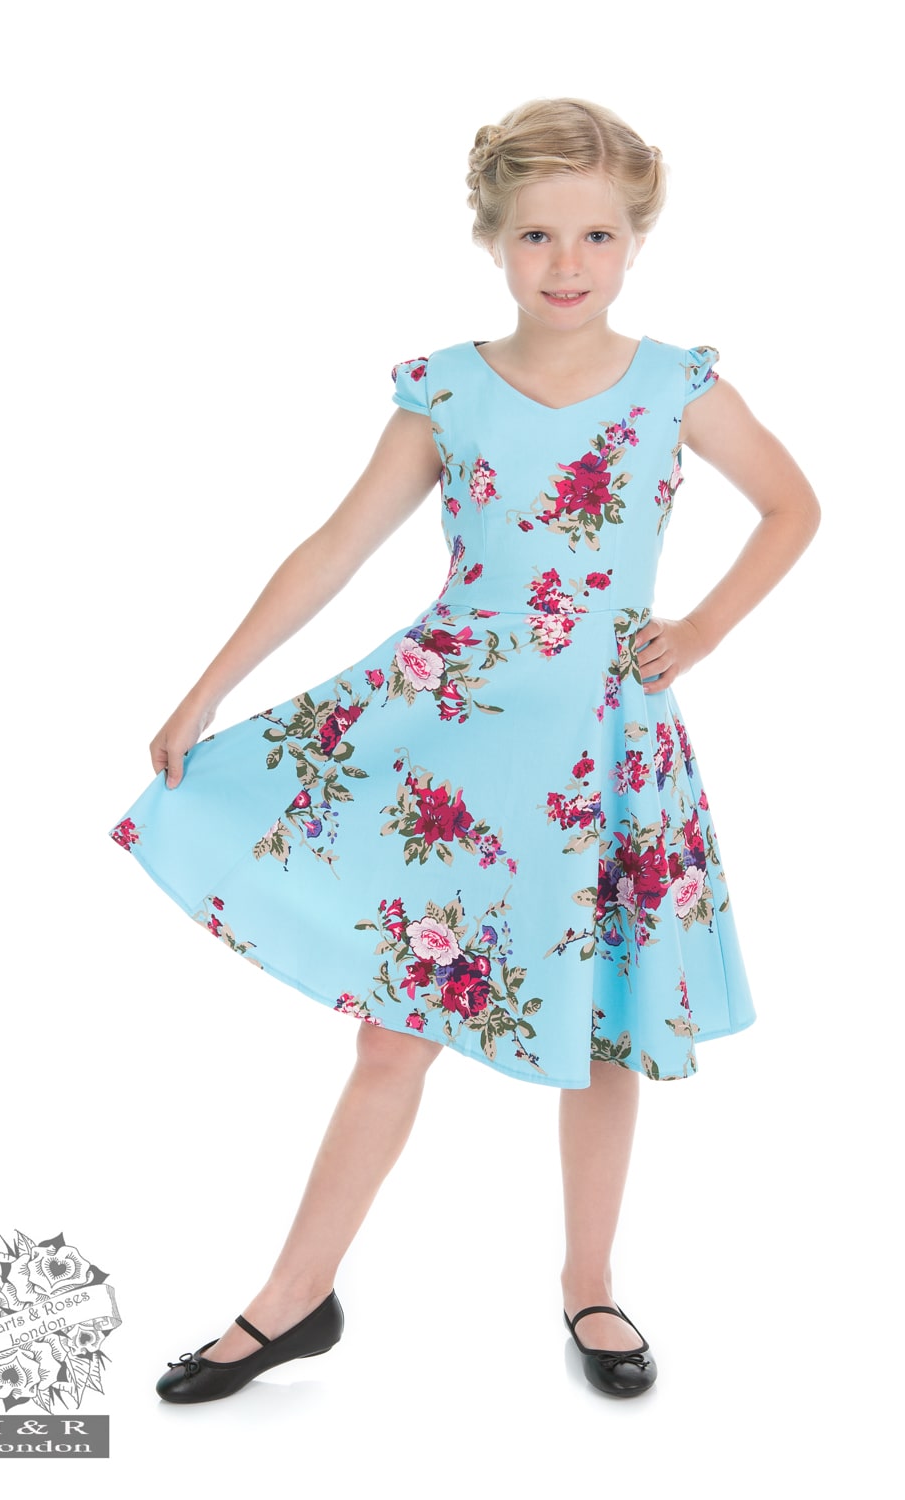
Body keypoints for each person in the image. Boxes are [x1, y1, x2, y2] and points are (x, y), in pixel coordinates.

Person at [107, 96, 820, 1401]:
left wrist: (701, 631)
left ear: (635, 238)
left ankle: (590, 1285)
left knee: (604, 1034)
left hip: (604, 745)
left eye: (597, 235)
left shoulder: (676, 384)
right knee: (393, 1037)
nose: (568, 263)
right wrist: (210, 687)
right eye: (538, 234)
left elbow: (792, 505)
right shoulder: (447, 390)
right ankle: (293, 1299)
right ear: (493, 236)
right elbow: (334, 547)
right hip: (451, 749)